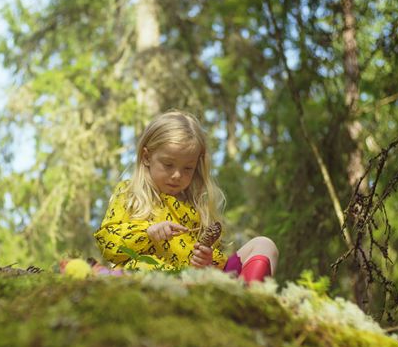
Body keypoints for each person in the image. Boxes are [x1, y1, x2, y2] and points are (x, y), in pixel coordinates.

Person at [94, 111, 278, 284]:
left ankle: (247, 299)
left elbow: (208, 259)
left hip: (199, 281)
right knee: (142, 266)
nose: (177, 175)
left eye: (187, 168)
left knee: (264, 244)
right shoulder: (131, 193)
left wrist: (207, 259)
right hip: (156, 281)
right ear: (146, 157)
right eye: (168, 164)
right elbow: (107, 242)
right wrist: (148, 233)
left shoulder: (197, 204)